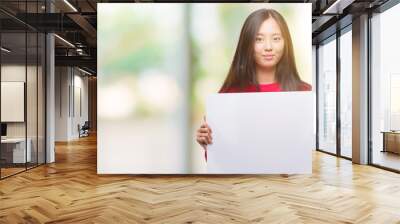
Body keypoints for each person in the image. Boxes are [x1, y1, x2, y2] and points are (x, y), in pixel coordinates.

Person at [196, 8, 311, 161]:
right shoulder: (227, 96)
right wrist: (208, 144)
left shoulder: (304, 92)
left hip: (288, 182)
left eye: (276, 38)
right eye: (259, 39)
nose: (268, 47)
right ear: (247, 44)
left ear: (286, 42)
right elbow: (220, 160)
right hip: (245, 182)